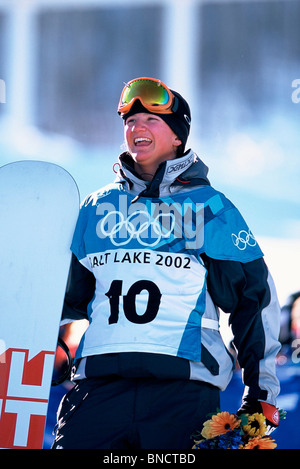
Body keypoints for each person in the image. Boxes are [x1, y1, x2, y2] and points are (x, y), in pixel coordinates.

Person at [52, 77, 281, 449]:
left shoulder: (210, 209)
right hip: (99, 392)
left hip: (183, 397)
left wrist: (262, 393)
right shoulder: (95, 209)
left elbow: (253, 301)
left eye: (150, 120)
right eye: (129, 121)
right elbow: (61, 297)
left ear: (178, 136)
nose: (136, 127)